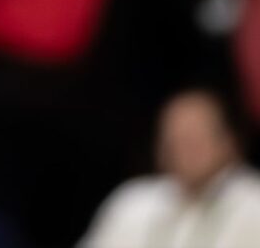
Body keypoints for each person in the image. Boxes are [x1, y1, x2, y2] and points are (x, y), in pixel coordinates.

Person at [80, 88, 260, 248]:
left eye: (195, 137)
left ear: (228, 141)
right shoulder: (131, 203)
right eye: (176, 138)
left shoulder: (254, 203)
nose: (185, 148)